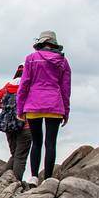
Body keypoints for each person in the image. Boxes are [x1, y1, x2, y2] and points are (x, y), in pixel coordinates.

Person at [16, 30, 71, 184]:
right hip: (54, 104)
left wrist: (20, 108)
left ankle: (33, 177)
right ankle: (47, 179)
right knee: (50, 143)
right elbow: (66, 89)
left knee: (37, 142)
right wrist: (66, 111)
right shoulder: (63, 62)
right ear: (54, 44)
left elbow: (24, 84)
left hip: (33, 104)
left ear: (41, 43)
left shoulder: (31, 59)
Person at [0, 65, 31, 181]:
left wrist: (7, 108)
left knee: (14, 155)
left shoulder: (8, 86)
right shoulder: (29, 87)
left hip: (10, 125)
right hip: (26, 125)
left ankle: (2, 180)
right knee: (20, 157)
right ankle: (15, 182)